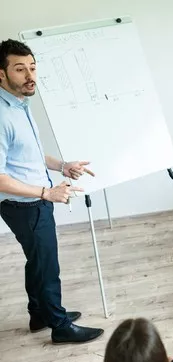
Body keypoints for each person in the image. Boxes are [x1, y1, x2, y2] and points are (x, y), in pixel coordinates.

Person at [0, 39, 103, 344]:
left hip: (34, 199)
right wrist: (46, 193)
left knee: (38, 259)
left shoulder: (19, 104)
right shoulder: (2, 115)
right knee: (47, 263)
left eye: (32, 67)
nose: (30, 75)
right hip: (26, 204)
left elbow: (29, 154)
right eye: (20, 69)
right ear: (1, 74)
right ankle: (59, 325)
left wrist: (62, 165)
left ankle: (39, 314)